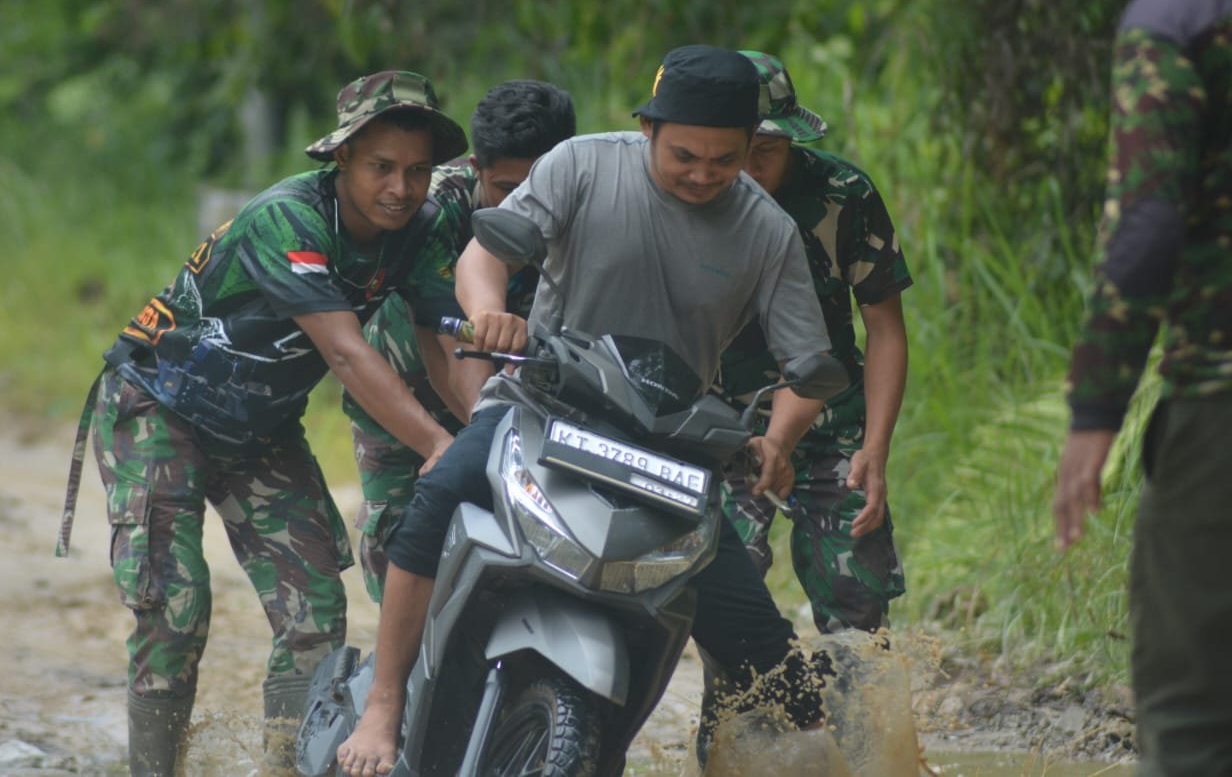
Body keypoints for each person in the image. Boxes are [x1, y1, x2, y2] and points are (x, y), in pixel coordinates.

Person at [336, 44, 836, 776]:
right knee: (435, 499)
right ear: (647, 129)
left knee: (774, 659)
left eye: (724, 160)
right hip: (540, 401)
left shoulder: (767, 230)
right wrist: (487, 315)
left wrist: (779, 437)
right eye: (685, 155)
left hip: (672, 444)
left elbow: (810, 370)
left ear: (751, 148)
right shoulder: (580, 165)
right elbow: (485, 256)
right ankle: (384, 706)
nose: (702, 173)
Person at [55, 70, 469, 776]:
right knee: (175, 608)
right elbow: (344, 349)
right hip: (159, 407)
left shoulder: (418, 231)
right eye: (381, 168)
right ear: (341, 159)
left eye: (418, 170)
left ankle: (287, 765)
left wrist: (481, 426)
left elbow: (437, 340)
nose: (401, 187)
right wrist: (437, 444)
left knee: (315, 612)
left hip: (261, 426)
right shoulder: (288, 217)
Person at [1053, 0, 1232, 773]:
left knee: (1193, 710)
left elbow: (1148, 224)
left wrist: (1095, 412)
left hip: (1221, 399)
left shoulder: (1185, 14)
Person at [342, 80, 576, 604]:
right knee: (405, 536)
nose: (524, 205)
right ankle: (400, 678)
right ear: (475, 169)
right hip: (410, 386)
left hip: (530, 383)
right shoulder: (434, 208)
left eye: (539, 185)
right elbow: (443, 343)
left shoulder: (591, 199)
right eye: (505, 188)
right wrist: (483, 441)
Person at [717, 51, 910, 632]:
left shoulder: (842, 193)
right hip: (722, 423)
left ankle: (867, 722)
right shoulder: (688, 197)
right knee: (728, 598)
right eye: (737, 152)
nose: (750, 169)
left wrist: (874, 449)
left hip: (832, 416)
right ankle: (736, 722)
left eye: (767, 153)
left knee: (858, 600)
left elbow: (884, 327)